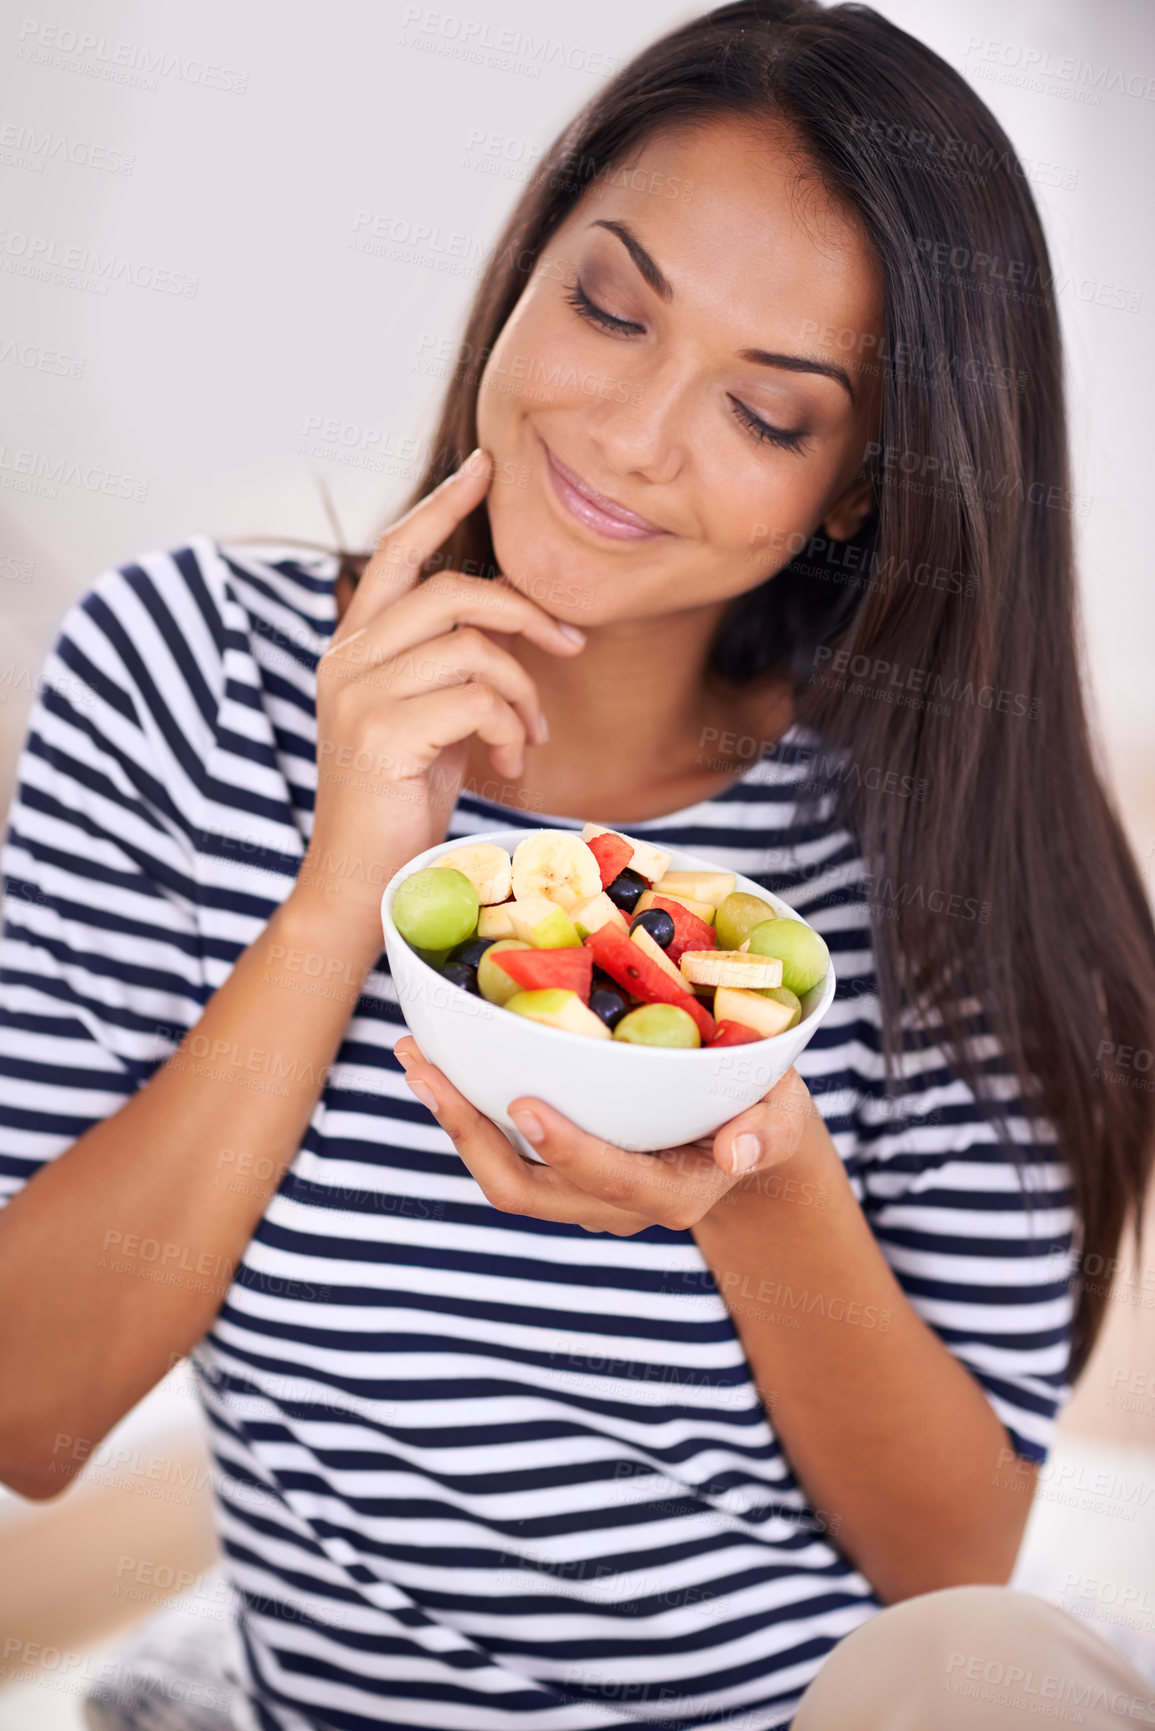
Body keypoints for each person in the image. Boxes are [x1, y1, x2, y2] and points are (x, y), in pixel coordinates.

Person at [2, 2, 1153, 1727]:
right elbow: (31, 1412)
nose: (628, 437)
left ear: (853, 489)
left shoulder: (936, 843)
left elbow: (951, 1572)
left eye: (768, 414)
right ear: (530, 264)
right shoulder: (184, 677)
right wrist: (344, 885)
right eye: (610, 308)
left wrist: (764, 1177)